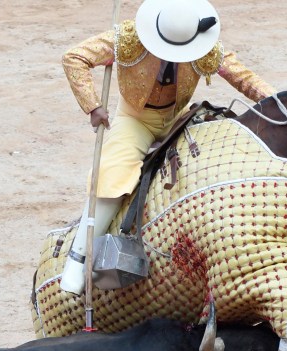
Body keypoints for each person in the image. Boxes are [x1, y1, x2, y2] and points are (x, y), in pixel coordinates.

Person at [59, 0, 275, 294]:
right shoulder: (128, 37)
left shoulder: (204, 46)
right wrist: (93, 107)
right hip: (135, 119)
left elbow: (244, 78)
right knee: (112, 174)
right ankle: (77, 259)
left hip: (179, 119)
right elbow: (74, 57)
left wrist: (278, 104)